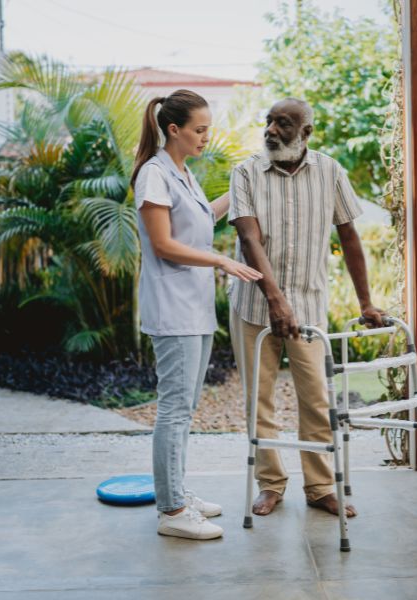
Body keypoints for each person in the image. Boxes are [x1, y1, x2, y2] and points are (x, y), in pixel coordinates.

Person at [228, 97, 384, 518]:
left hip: (309, 306)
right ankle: (271, 484)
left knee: (316, 398)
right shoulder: (245, 172)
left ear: (306, 132)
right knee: (257, 400)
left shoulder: (330, 170)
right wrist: (275, 300)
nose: (272, 130)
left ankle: (319, 488)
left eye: (283, 123)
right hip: (253, 307)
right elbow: (249, 239)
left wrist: (365, 302)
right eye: (269, 122)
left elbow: (349, 236)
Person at [131, 90, 262, 540]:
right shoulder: (154, 175)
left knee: (184, 408)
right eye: (200, 130)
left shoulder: (181, 174)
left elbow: (205, 215)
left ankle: (179, 493)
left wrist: (244, 186)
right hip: (173, 309)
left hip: (195, 308)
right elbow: (165, 244)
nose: (207, 137)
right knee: (173, 409)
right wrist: (223, 261)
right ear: (174, 130)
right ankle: (171, 511)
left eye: (208, 129)